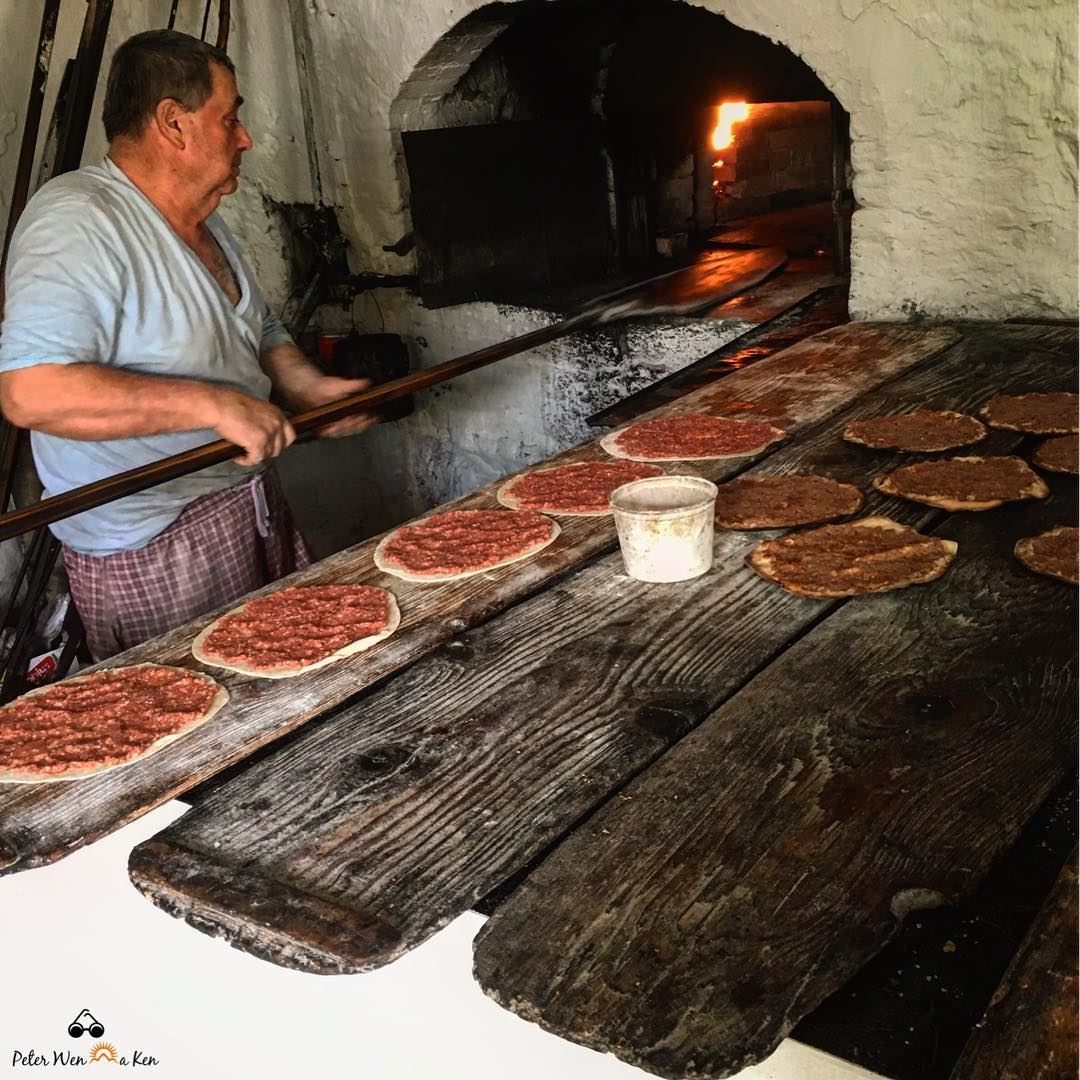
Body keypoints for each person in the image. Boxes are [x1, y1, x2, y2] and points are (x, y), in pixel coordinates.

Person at [0, 29, 374, 661]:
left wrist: (307, 388)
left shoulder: (206, 219)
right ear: (172, 124)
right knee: (204, 734)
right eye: (229, 118)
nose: (245, 136)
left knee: (298, 688)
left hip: (245, 501)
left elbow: (257, 329)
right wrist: (214, 406)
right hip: (152, 547)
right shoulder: (76, 219)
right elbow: (31, 390)